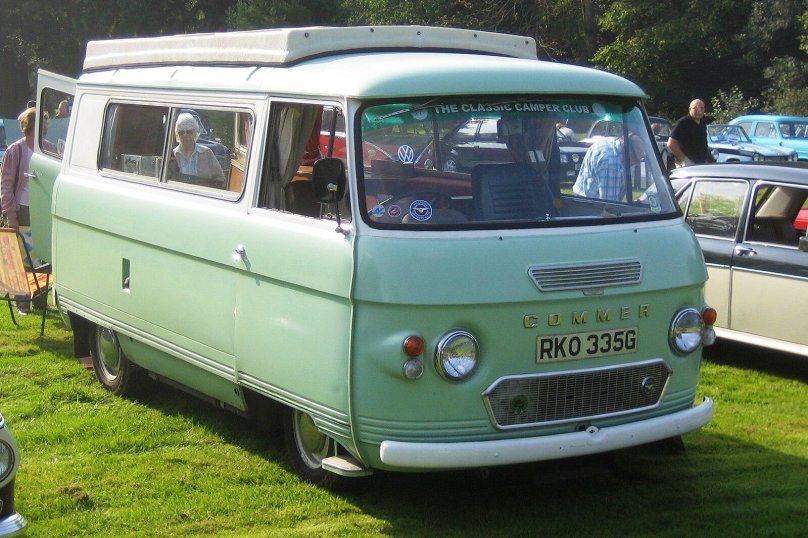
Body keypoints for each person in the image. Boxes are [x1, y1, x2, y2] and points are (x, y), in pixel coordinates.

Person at [1, 107, 37, 314]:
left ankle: (40, 298)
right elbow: (5, 184)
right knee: (22, 257)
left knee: (40, 258)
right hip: (21, 209)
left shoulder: (47, 148)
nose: (46, 128)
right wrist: (10, 214)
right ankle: (22, 301)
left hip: (40, 210)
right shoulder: (15, 150)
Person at [572, 134, 644, 201]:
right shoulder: (611, 164)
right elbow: (609, 206)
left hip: (581, 197)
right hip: (590, 206)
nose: (636, 163)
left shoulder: (610, 142)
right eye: (635, 159)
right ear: (626, 148)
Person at [171, 112, 225, 185]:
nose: (185, 135)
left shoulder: (206, 152)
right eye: (181, 132)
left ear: (195, 133)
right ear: (177, 135)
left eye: (189, 131)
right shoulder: (172, 155)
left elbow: (220, 178)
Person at [667, 99, 713, 166]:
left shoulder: (702, 123)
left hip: (701, 163)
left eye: (701, 108)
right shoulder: (683, 122)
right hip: (686, 164)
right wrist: (685, 160)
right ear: (689, 109)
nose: (699, 111)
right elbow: (671, 144)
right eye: (695, 108)